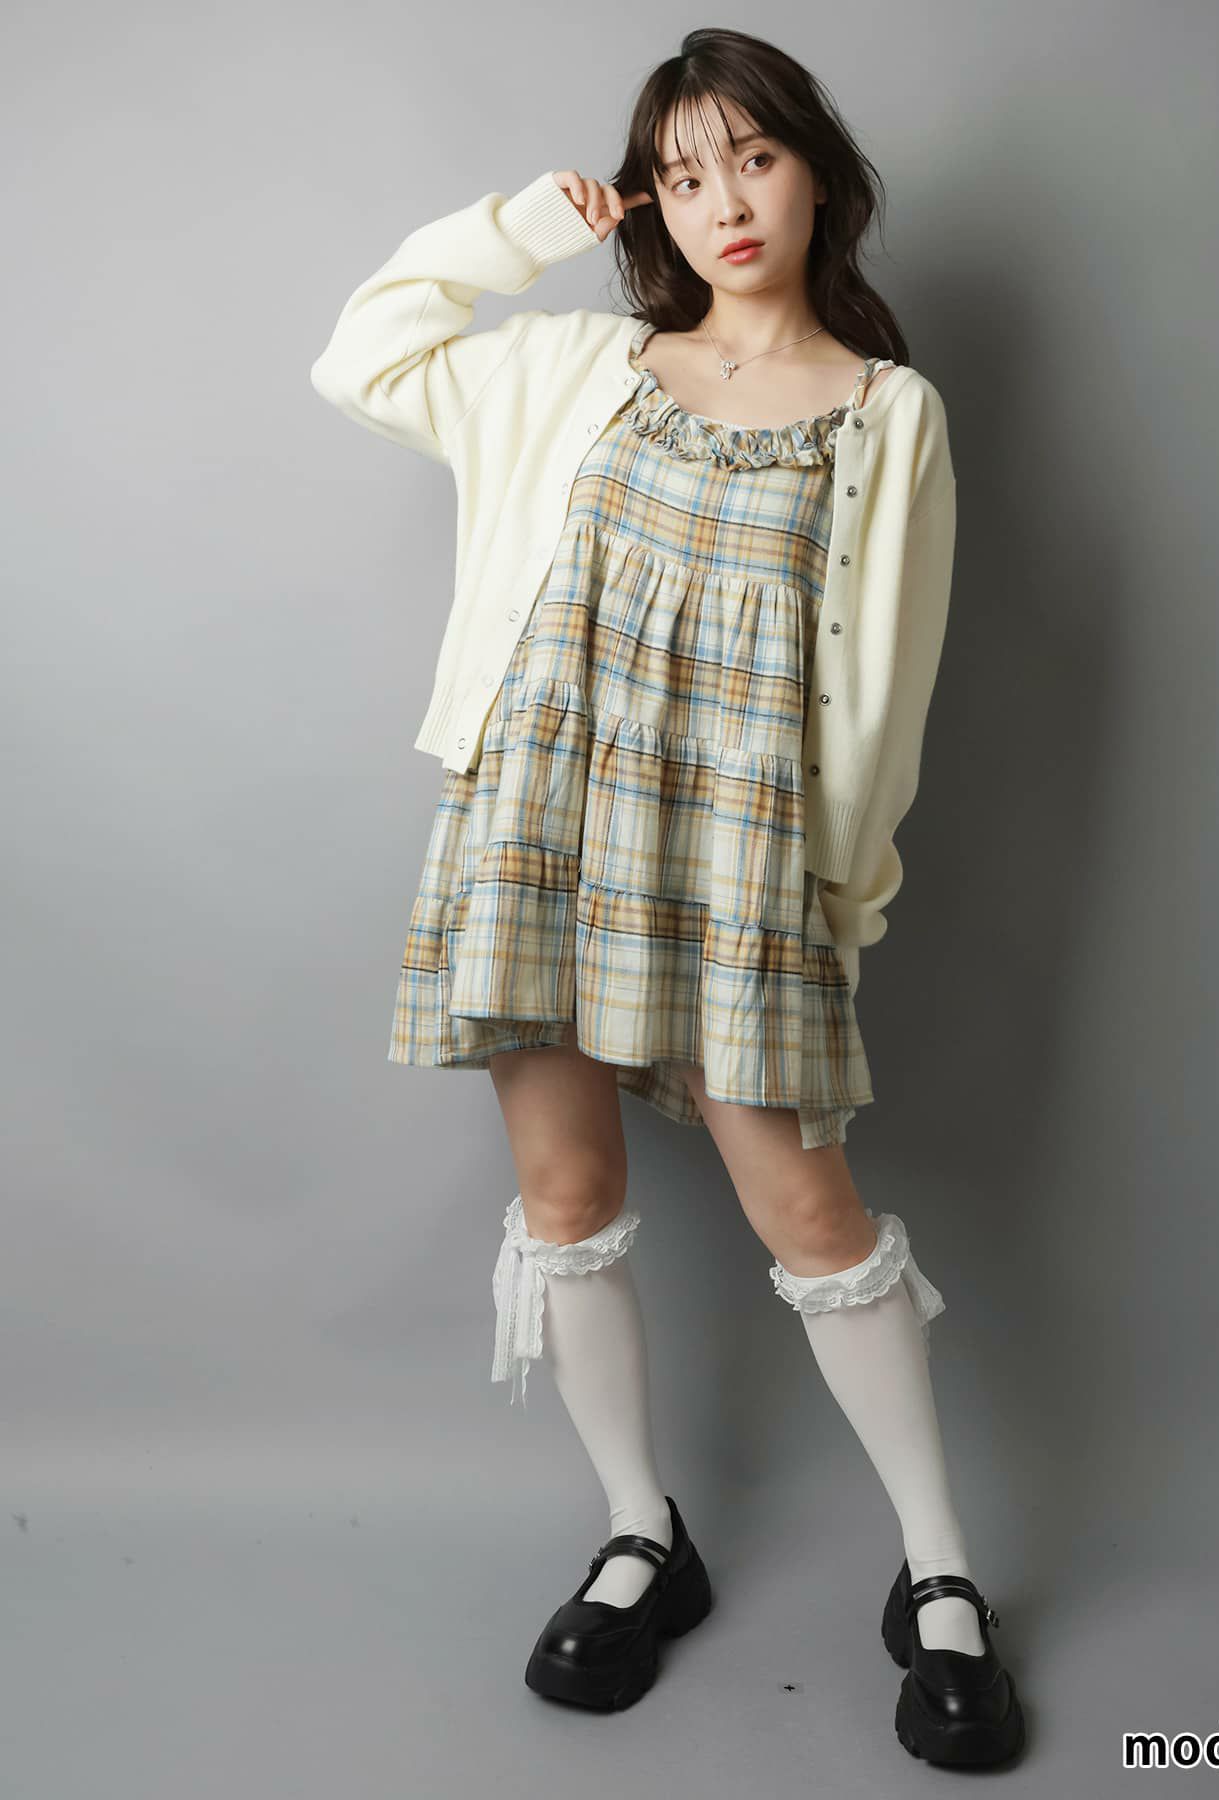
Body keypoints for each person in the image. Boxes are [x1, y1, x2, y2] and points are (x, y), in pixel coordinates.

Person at [310, 25, 1023, 1771]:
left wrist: (838, 902)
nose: (725, 203)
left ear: (818, 173)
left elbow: (891, 695)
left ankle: (940, 1573)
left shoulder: (889, 415)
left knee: (811, 1213)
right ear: (652, 203)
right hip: (541, 819)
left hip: (741, 863)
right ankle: (643, 1533)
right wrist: (515, 233)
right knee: (567, 1194)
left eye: (753, 158)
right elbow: (365, 352)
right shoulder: (576, 365)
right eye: (684, 175)